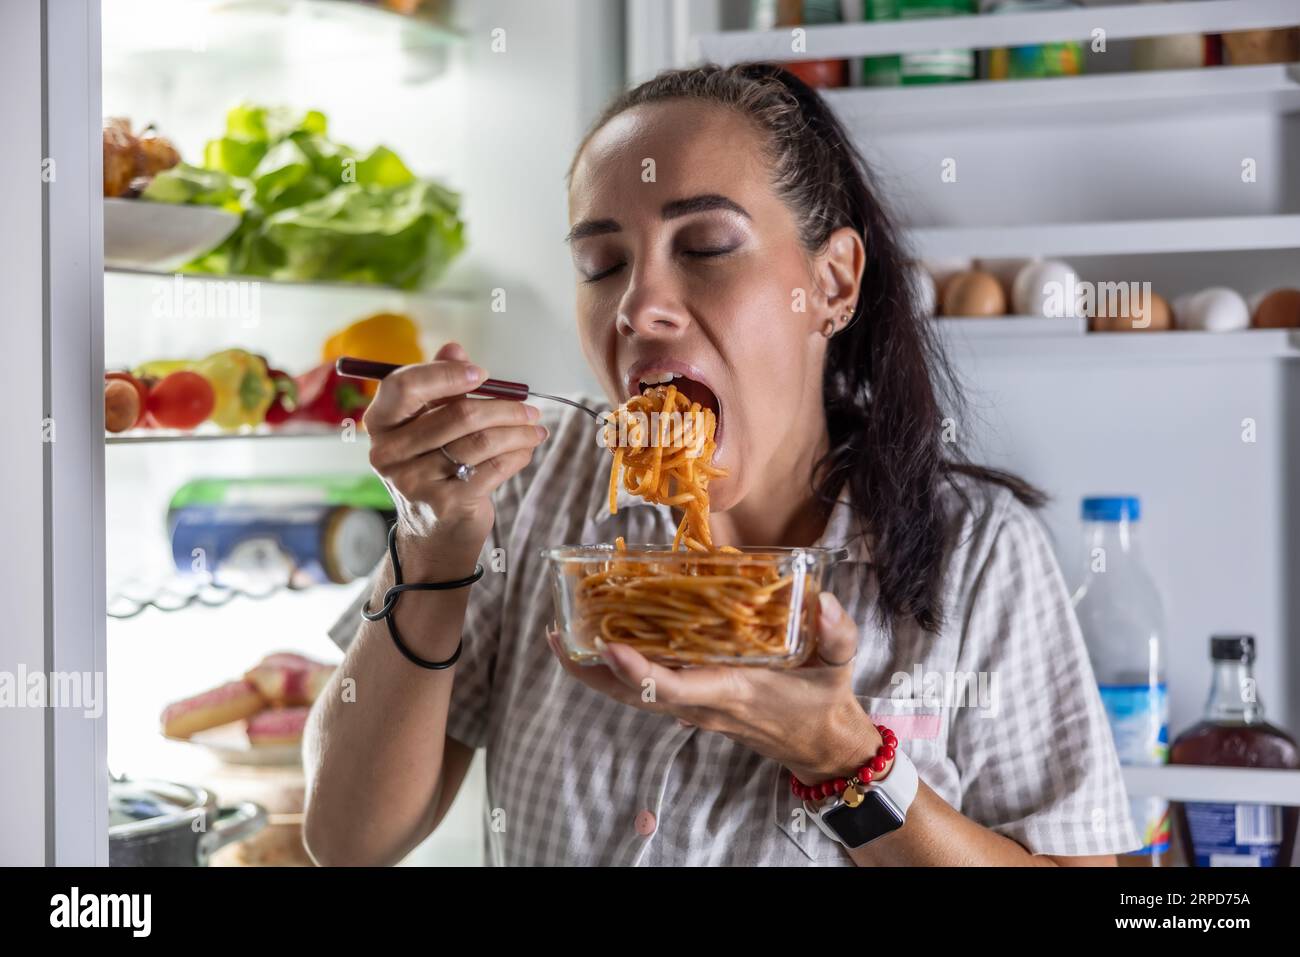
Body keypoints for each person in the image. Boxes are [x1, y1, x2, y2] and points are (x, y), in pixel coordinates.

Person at [303, 63, 1139, 866]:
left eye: (704, 246)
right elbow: (348, 838)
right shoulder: (524, 496)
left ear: (834, 281)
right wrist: (433, 541)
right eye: (603, 264)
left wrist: (840, 756)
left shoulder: (982, 553)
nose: (639, 307)